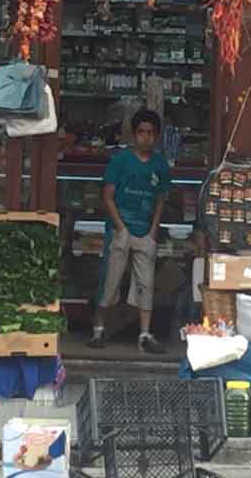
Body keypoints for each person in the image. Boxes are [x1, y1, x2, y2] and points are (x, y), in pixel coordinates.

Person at [90, 108, 171, 354]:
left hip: (145, 232)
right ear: (133, 134)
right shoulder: (120, 161)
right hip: (120, 229)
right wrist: (121, 227)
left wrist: (154, 231)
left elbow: (160, 199)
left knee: (146, 284)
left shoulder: (160, 165)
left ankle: (145, 335)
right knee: (110, 281)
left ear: (156, 136)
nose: (145, 137)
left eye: (150, 133)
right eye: (141, 132)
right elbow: (108, 196)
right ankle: (98, 331)